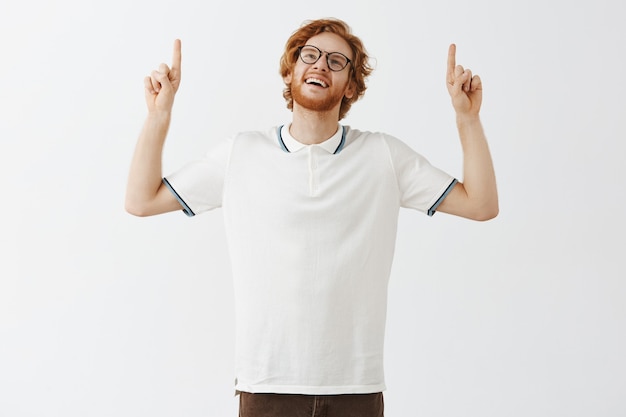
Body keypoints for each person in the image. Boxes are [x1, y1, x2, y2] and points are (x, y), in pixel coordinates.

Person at [125, 17, 497, 417]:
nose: (321, 65)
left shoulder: (383, 156)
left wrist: (467, 119)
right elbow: (141, 200)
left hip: (356, 388)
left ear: (351, 85)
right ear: (292, 69)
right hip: (266, 386)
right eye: (311, 55)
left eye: (337, 61)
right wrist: (159, 115)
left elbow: (480, 204)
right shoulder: (241, 154)